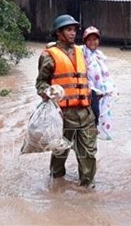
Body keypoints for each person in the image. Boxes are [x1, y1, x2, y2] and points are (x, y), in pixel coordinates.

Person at [36, 14, 97, 188]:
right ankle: (56, 181)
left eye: (74, 30)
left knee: (89, 152)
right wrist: (48, 92)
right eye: (69, 30)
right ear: (58, 32)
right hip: (63, 114)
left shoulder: (81, 51)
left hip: (85, 112)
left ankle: (87, 186)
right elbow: (41, 82)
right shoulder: (49, 55)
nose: (73, 33)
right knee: (60, 151)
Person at [81, 26, 117, 140]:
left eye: (95, 39)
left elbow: (103, 75)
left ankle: (95, 132)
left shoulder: (99, 55)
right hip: (90, 90)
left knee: (101, 112)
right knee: (94, 113)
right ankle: (92, 130)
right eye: (89, 39)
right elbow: (70, 48)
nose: (92, 42)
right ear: (85, 41)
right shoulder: (82, 52)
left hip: (100, 91)